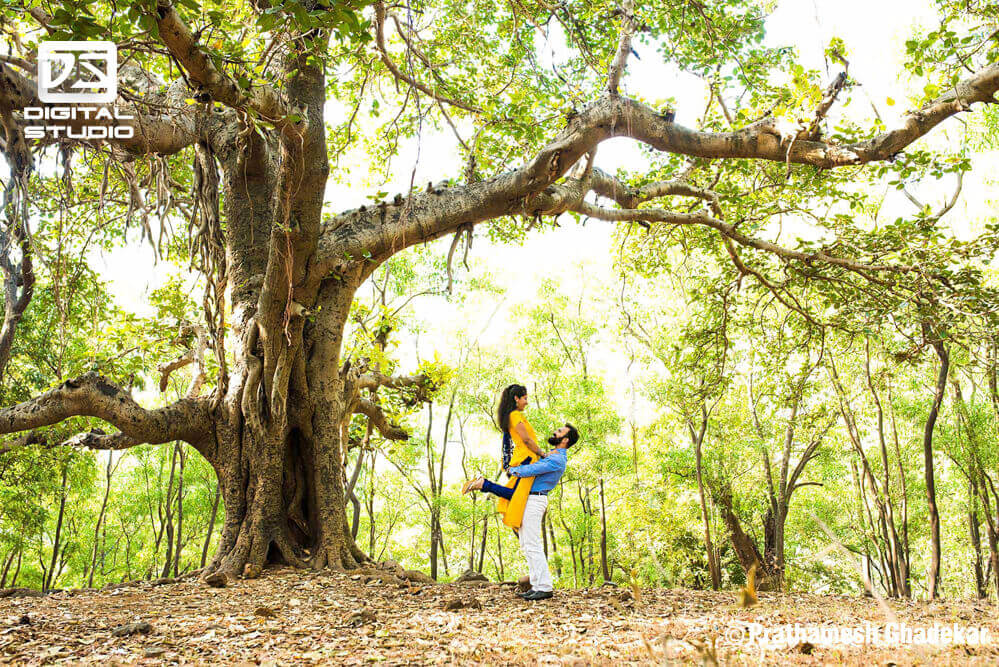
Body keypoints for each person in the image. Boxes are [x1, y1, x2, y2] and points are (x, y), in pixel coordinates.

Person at [463, 423, 579, 600]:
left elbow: (532, 470)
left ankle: (544, 587)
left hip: (535, 499)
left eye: (560, 431)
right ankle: (536, 584)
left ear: (565, 440)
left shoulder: (557, 459)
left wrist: (512, 469)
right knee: (526, 544)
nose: (555, 431)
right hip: (529, 498)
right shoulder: (552, 456)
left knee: (532, 544)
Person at [463, 384, 544, 530]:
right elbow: (526, 440)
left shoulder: (512, 416)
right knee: (516, 495)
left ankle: (485, 485)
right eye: (525, 398)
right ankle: (484, 484)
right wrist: (543, 454)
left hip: (525, 459)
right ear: (516, 398)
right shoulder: (515, 415)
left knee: (517, 495)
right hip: (526, 459)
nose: (527, 402)